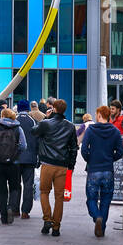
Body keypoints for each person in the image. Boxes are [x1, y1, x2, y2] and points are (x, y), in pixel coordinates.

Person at [34, 98, 79, 236]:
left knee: (44, 192)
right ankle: (56, 226)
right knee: (59, 197)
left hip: (47, 164)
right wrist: (71, 164)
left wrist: (47, 118)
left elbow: (33, 131)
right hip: (62, 165)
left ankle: (47, 219)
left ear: (53, 109)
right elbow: (73, 148)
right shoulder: (70, 126)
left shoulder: (46, 123)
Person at [81, 105, 123, 237]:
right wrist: (110, 158)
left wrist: (90, 159)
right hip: (108, 170)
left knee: (91, 199)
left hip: (94, 170)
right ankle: (102, 228)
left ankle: (97, 217)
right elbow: (120, 152)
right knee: (106, 200)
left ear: (100, 115)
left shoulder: (91, 130)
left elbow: (84, 150)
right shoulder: (115, 131)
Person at [0, 108, 27, 224]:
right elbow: (24, 146)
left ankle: (3, 216)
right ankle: (11, 207)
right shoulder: (18, 128)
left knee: (2, 189)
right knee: (14, 187)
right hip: (14, 163)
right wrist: (16, 153)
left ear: (2, 116)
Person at [14, 100, 40, 219]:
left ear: (18, 108)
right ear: (27, 108)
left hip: (15, 158)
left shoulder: (13, 120)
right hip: (30, 158)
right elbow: (37, 140)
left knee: (15, 184)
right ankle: (25, 211)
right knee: (28, 185)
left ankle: (15, 209)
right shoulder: (33, 121)